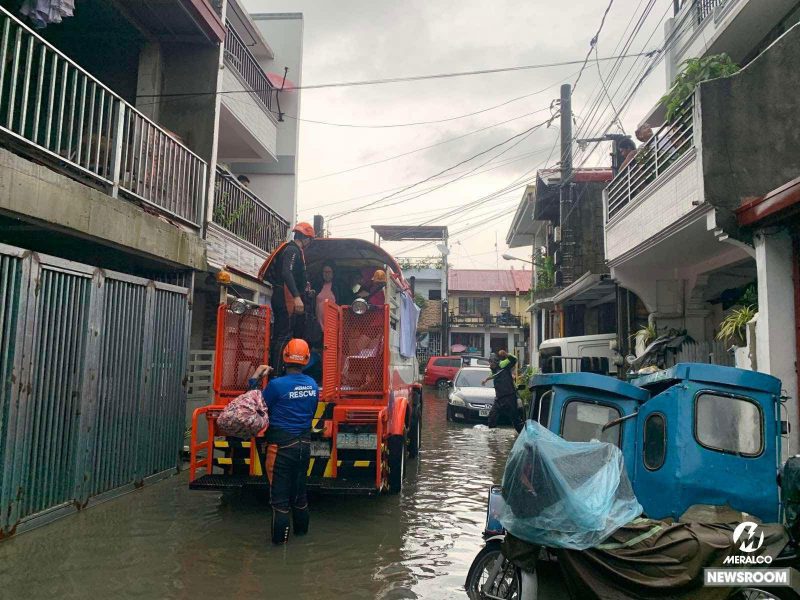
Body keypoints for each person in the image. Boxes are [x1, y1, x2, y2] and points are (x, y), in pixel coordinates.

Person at [251, 339, 319, 545]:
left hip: (280, 448)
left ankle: (279, 552)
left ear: (284, 357)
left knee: (279, 502)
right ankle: (302, 543)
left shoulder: (276, 385)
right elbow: (312, 411)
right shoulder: (313, 385)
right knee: (299, 497)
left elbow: (255, 405)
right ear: (306, 359)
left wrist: (255, 378)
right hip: (304, 446)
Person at [265, 222, 315, 374]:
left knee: (285, 333)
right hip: (285, 297)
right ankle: (277, 373)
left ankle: (278, 370)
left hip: (283, 296)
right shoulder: (292, 250)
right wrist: (297, 297)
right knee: (283, 335)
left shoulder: (291, 250)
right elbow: (287, 273)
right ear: (305, 238)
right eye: (310, 240)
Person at [482, 350, 524, 433]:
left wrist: (506, 354)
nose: (490, 365)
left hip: (510, 397)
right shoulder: (493, 370)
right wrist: (486, 380)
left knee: (515, 419)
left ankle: (523, 433)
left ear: (495, 361)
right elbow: (493, 375)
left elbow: (514, 359)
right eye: (489, 363)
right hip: (499, 398)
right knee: (492, 417)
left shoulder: (503, 364)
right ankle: (492, 439)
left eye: (491, 363)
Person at [315, 262, 337, 330]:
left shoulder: (339, 286)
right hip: (318, 325)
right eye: (324, 272)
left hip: (333, 324)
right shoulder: (317, 285)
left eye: (329, 272)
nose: (326, 274)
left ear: (333, 273)